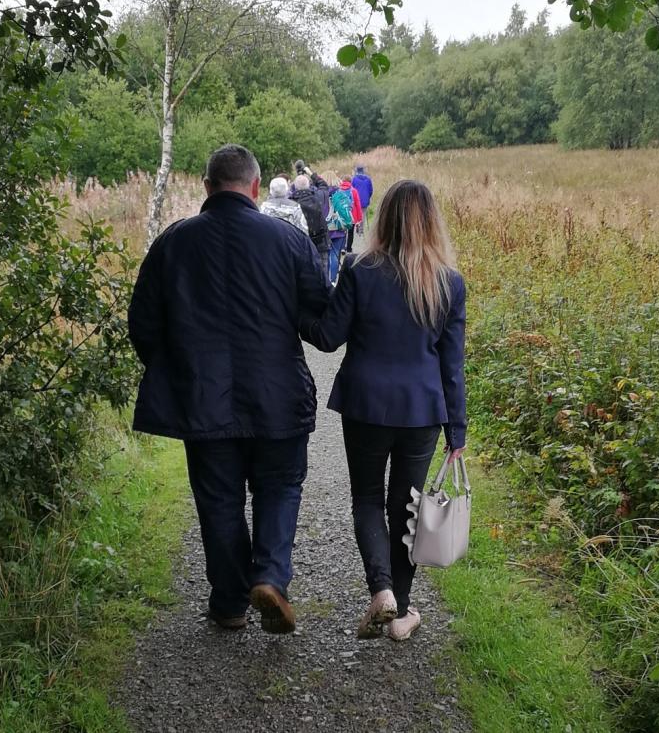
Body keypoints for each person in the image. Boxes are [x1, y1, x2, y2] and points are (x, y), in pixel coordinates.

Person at [128, 145, 330, 634]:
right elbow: (319, 313)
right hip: (279, 394)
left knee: (218, 499)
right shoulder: (287, 241)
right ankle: (271, 577)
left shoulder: (173, 243)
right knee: (280, 487)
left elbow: (143, 325)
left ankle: (229, 601)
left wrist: (178, 369)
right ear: (257, 188)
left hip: (202, 399)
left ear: (206, 186)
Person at [303, 180, 466, 643]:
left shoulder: (359, 268)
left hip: (366, 405)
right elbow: (452, 366)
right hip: (421, 412)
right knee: (406, 508)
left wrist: (292, 311)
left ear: (383, 217)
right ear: (432, 221)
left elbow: (328, 336)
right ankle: (401, 613)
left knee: (368, 500)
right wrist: (458, 430)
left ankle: (382, 590)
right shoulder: (448, 282)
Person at [292, 173, 330, 271]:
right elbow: (323, 185)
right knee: (323, 273)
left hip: (301, 245)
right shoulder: (318, 197)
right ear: (309, 185)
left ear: (295, 187)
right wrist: (311, 173)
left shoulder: (291, 203)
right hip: (321, 242)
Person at [325, 181, 355, 284]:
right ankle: (332, 281)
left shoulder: (320, 194)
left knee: (325, 256)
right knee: (335, 255)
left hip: (325, 229)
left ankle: (325, 280)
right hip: (339, 228)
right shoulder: (341, 194)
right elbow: (350, 207)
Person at [339, 174, 363, 255]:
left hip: (341, 215)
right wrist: (359, 218)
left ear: (342, 181)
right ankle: (349, 249)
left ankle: (342, 248)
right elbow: (358, 204)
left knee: (342, 232)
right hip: (352, 215)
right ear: (350, 181)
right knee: (350, 232)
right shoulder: (354, 191)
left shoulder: (339, 190)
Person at [351, 165, 374, 234]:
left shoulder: (354, 179)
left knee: (356, 213)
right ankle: (361, 229)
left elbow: (351, 189)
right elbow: (371, 190)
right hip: (365, 200)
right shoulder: (368, 179)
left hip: (355, 200)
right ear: (363, 171)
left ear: (357, 171)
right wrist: (368, 197)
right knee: (363, 215)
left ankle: (357, 226)